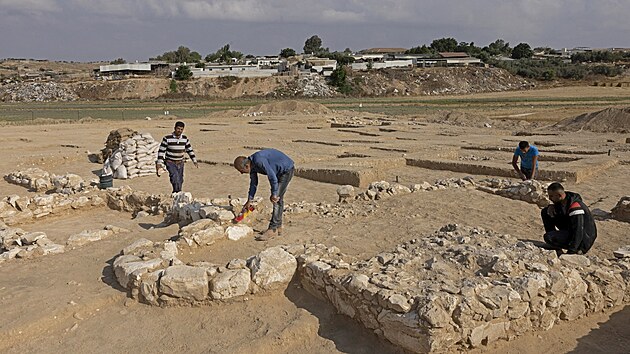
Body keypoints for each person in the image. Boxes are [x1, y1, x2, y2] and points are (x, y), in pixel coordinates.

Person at [234, 149, 294, 241]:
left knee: (276, 199)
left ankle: (272, 229)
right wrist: (249, 200)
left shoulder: (258, 160)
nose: (241, 173)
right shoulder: (252, 165)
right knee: (279, 199)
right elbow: (253, 183)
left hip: (286, 170)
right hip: (278, 171)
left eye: (241, 170)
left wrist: (274, 193)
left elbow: (272, 177)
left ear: (246, 166)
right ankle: (278, 227)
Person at [540, 182, 597, 254]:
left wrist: (572, 251)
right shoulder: (564, 199)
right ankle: (555, 245)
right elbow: (562, 209)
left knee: (549, 237)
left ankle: (577, 249)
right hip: (570, 229)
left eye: (551, 196)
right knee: (546, 212)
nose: (549, 198)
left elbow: (578, 230)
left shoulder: (575, 207)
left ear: (559, 195)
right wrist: (551, 207)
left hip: (584, 239)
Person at [156, 121, 198, 193]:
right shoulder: (167, 138)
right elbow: (161, 151)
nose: (179, 131)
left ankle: (177, 193)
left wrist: (194, 160)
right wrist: (159, 163)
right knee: (175, 178)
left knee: (180, 180)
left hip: (180, 162)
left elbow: (189, 149)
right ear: (174, 128)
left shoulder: (185, 139)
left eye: (181, 129)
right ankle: (176, 193)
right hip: (170, 162)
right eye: (178, 129)